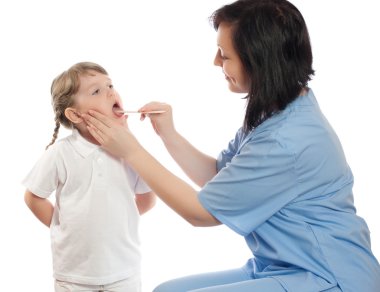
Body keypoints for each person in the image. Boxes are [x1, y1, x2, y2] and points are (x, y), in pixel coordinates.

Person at [82, 0, 380, 291]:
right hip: (283, 266)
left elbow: (200, 214)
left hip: (328, 276)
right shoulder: (276, 109)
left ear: (259, 59)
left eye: (224, 55)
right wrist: (169, 135)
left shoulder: (287, 140)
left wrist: (131, 151)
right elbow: (219, 176)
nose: (216, 62)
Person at [23, 62, 156, 292]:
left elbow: (147, 198)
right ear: (75, 114)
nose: (111, 92)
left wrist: (118, 218)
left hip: (124, 273)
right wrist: (64, 226)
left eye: (110, 85)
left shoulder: (130, 150)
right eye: (97, 91)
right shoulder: (61, 153)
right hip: (73, 278)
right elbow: (33, 197)